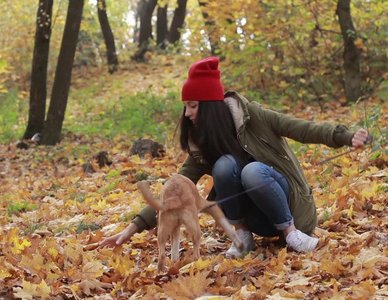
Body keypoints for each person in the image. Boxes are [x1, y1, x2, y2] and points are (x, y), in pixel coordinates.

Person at [99, 57, 370, 258]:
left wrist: (345, 136)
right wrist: (132, 228)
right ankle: (242, 236)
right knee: (225, 165)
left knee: (252, 171)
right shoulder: (202, 146)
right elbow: (175, 191)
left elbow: (301, 128)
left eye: (193, 106)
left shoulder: (254, 117)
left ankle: (292, 236)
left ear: (210, 107)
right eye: (185, 107)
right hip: (259, 221)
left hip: (291, 209)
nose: (187, 114)